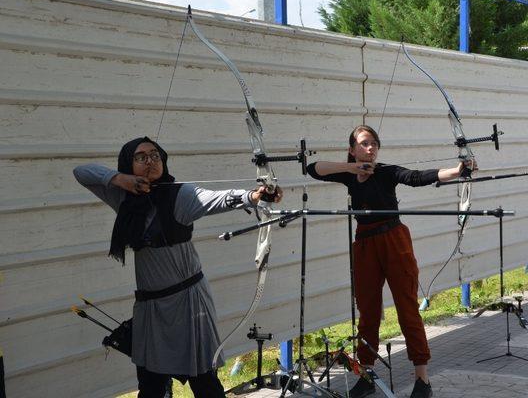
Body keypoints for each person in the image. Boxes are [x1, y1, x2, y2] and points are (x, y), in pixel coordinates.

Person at [73, 136, 282, 398]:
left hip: (188, 303)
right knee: (150, 385)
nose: (150, 161)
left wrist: (253, 195)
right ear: (128, 163)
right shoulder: (124, 198)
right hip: (150, 307)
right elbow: (81, 172)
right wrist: (120, 179)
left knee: (204, 382)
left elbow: (217, 198)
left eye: (155, 155)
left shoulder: (180, 195)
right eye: (141, 157)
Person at [306, 125, 475, 398]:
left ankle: (423, 380)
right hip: (364, 243)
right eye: (363, 143)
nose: (370, 148)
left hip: (393, 239)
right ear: (352, 149)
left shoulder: (386, 171)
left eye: (374, 143)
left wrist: (457, 171)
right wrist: (352, 169)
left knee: (407, 308)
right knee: (368, 309)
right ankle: (366, 375)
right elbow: (313, 168)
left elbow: (418, 177)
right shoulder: (348, 176)